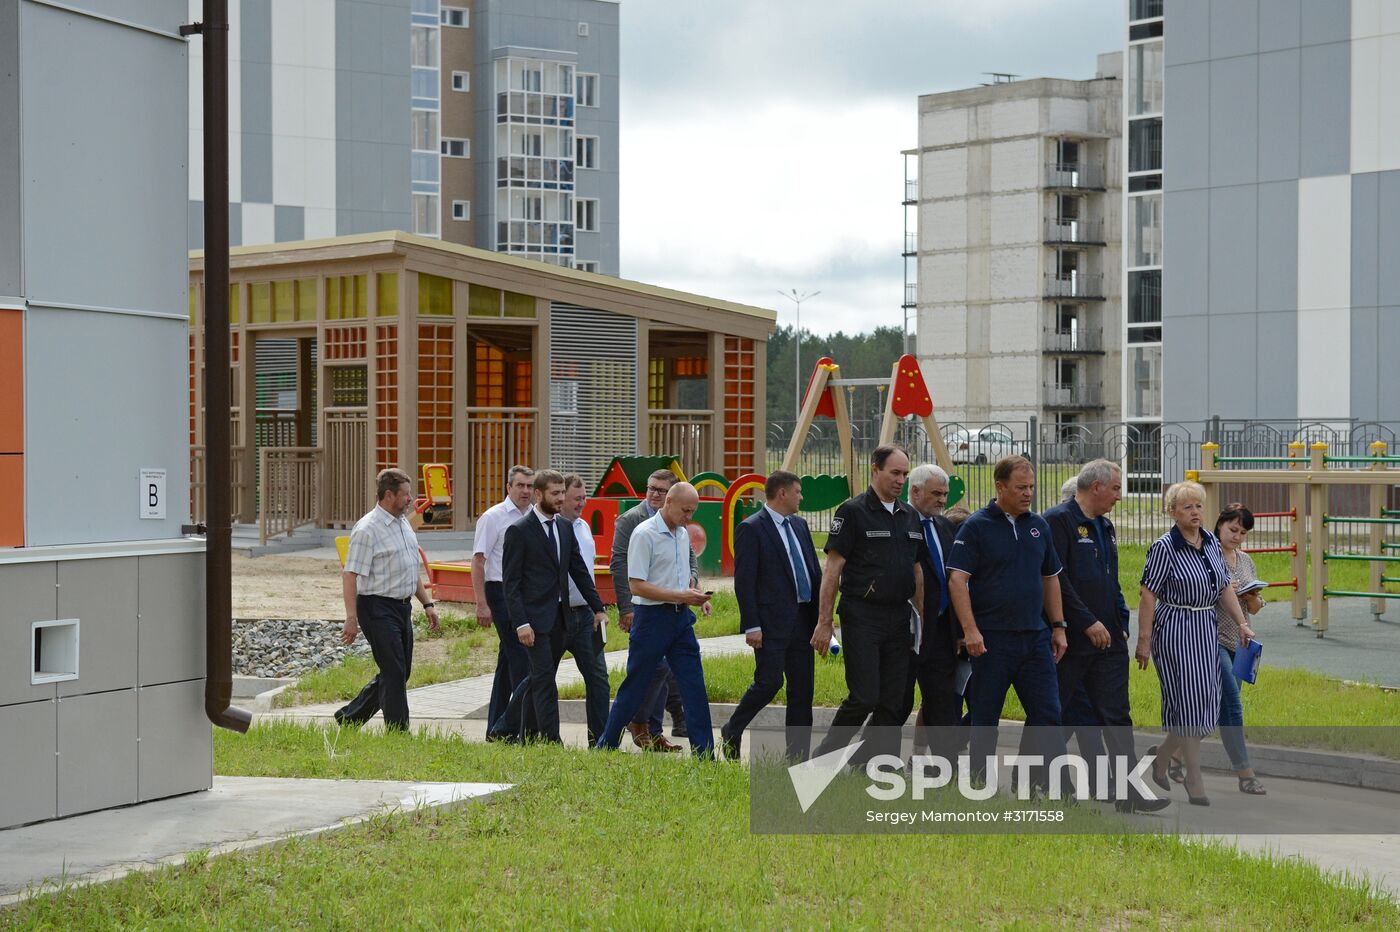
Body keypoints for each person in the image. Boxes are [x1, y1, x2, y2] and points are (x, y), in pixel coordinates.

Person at [1044, 460, 1168, 812]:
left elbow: (1110, 578)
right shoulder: (1059, 521)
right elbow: (1057, 581)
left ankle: (1129, 792)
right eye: (1115, 488)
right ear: (1096, 487)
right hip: (1072, 639)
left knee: (1117, 715)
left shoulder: (1106, 526)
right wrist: (1085, 622)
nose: (1119, 496)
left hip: (1108, 639)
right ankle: (1043, 783)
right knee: (1056, 714)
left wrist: (1119, 619)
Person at [946, 455, 1066, 790]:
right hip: (991, 640)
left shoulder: (1039, 526)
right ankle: (979, 785)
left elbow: (1051, 578)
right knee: (985, 719)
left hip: (1035, 640)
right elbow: (957, 580)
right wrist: (970, 630)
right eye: (1020, 487)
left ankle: (1050, 787)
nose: (1028, 493)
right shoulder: (977, 527)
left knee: (1048, 715)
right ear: (1000, 487)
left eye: (1031, 487)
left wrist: (1058, 627)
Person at [1136, 480, 1251, 806]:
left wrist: (1242, 624)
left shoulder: (1212, 542)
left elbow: (1224, 587)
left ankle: (1161, 759)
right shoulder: (1164, 547)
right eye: (1187, 506)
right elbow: (1148, 595)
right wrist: (1144, 641)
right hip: (1174, 629)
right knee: (1188, 704)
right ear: (1172, 512)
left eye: (1199, 506)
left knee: (1207, 704)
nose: (1196, 512)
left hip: (1205, 628)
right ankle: (1193, 779)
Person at [810, 445, 924, 765]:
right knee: (864, 697)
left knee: (894, 701)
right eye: (894, 473)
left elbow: (917, 571)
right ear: (875, 470)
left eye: (905, 474)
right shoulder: (853, 512)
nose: (901, 480)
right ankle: (823, 762)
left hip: (899, 617)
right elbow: (833, 569)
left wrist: (924, 621)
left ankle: (870, 762)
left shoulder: (910, 515)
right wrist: (824, 621)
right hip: (862, 614)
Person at [489, 474, 612, 744]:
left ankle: (517, 733)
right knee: (544, 680)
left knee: (541, 678)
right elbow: (511, 584)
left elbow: (579, 571)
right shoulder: (519, 530)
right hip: (534, 621)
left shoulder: (565, 528)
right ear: (538, 494)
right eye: (554, 493)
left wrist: (598, 608)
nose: (559, 498)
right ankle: (551, 740)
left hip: (563, 618)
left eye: (561, 493)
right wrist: (521, 623)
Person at [595, 483, 715, 757]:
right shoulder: (644, 534)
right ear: (668, 501)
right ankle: (606, 745)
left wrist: (697, 596)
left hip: (681, 619)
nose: (689, 516)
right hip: (651, 620)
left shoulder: (682, 535)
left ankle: (705, 753)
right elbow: (636, 585)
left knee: (694, 684)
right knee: (636, 684)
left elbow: (680, 576)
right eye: (685, 510)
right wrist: (679, 595)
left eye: (693, 511)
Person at [719, 470, 821, 762]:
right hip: (770, 624)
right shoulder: (752, 528)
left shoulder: (800, 525)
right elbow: (745, 581)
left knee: (802, 691)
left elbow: (813, 571)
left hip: (804, 621)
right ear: (782, 493)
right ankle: (732, 729)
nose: (802, 497)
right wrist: (752, 625)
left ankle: (798, 756)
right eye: (798, 492)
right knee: (769, 682)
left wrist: (822, 618)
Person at [335, 468, 441, 730]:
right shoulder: (367, 529)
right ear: (389, 495)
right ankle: (398, 732)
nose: (410, 499)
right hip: (376, 607)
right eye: (405, 494)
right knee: (394, 671)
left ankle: (349, 718)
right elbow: (350, 575)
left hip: (402, 607)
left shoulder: (403, 522)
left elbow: (409, 567)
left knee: (401, 672)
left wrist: (427, 604)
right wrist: (351, 618)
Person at [611, 469, 699, 752]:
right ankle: (634, 724)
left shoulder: (681, 528)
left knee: (666, 674)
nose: (654, 494)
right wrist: (626, 608)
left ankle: (653, 729)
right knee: (652, 671)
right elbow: (620, 566)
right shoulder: (633, 522)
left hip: (677, 611)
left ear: (670, 495)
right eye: (651, 489)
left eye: (661, 490)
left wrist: (693, 588)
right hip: (645, 610)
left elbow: (689, 560)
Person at [898, 463, 961, 762]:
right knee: (897, 702)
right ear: (915, 491)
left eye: (945, 494)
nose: (942, 500)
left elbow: (953, 579)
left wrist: (959, 630)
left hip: (941, 632)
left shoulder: (944, 526)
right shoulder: (899, 522)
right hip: (906, 632)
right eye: (936, 493)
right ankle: (873, 761)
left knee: (943, 703)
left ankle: (944, 768)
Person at [473, 465, 535, 734]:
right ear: (508, 487)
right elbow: (478, 561)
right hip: (499, 593)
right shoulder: (493, 517)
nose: (525, 491)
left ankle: (495, 727)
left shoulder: (534, 515)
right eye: (520, 485)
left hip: (525, 593)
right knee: (522, 659)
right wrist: (481, 602)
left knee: (507, 662)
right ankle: (517, 729)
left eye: (530, 486)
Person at [1209, 503, 1266, 795]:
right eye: (1233, 529)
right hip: (1212, 639)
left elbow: (1255, 608)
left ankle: (1169, 757)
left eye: (1243, 533)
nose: (1237, 537)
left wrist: (1252, 596)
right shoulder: (1207, 554)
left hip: (1240, 643)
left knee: (1214, 710)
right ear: (1220, 524)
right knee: (1232, 704)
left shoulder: (1245, 561)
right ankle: (1245, 773)